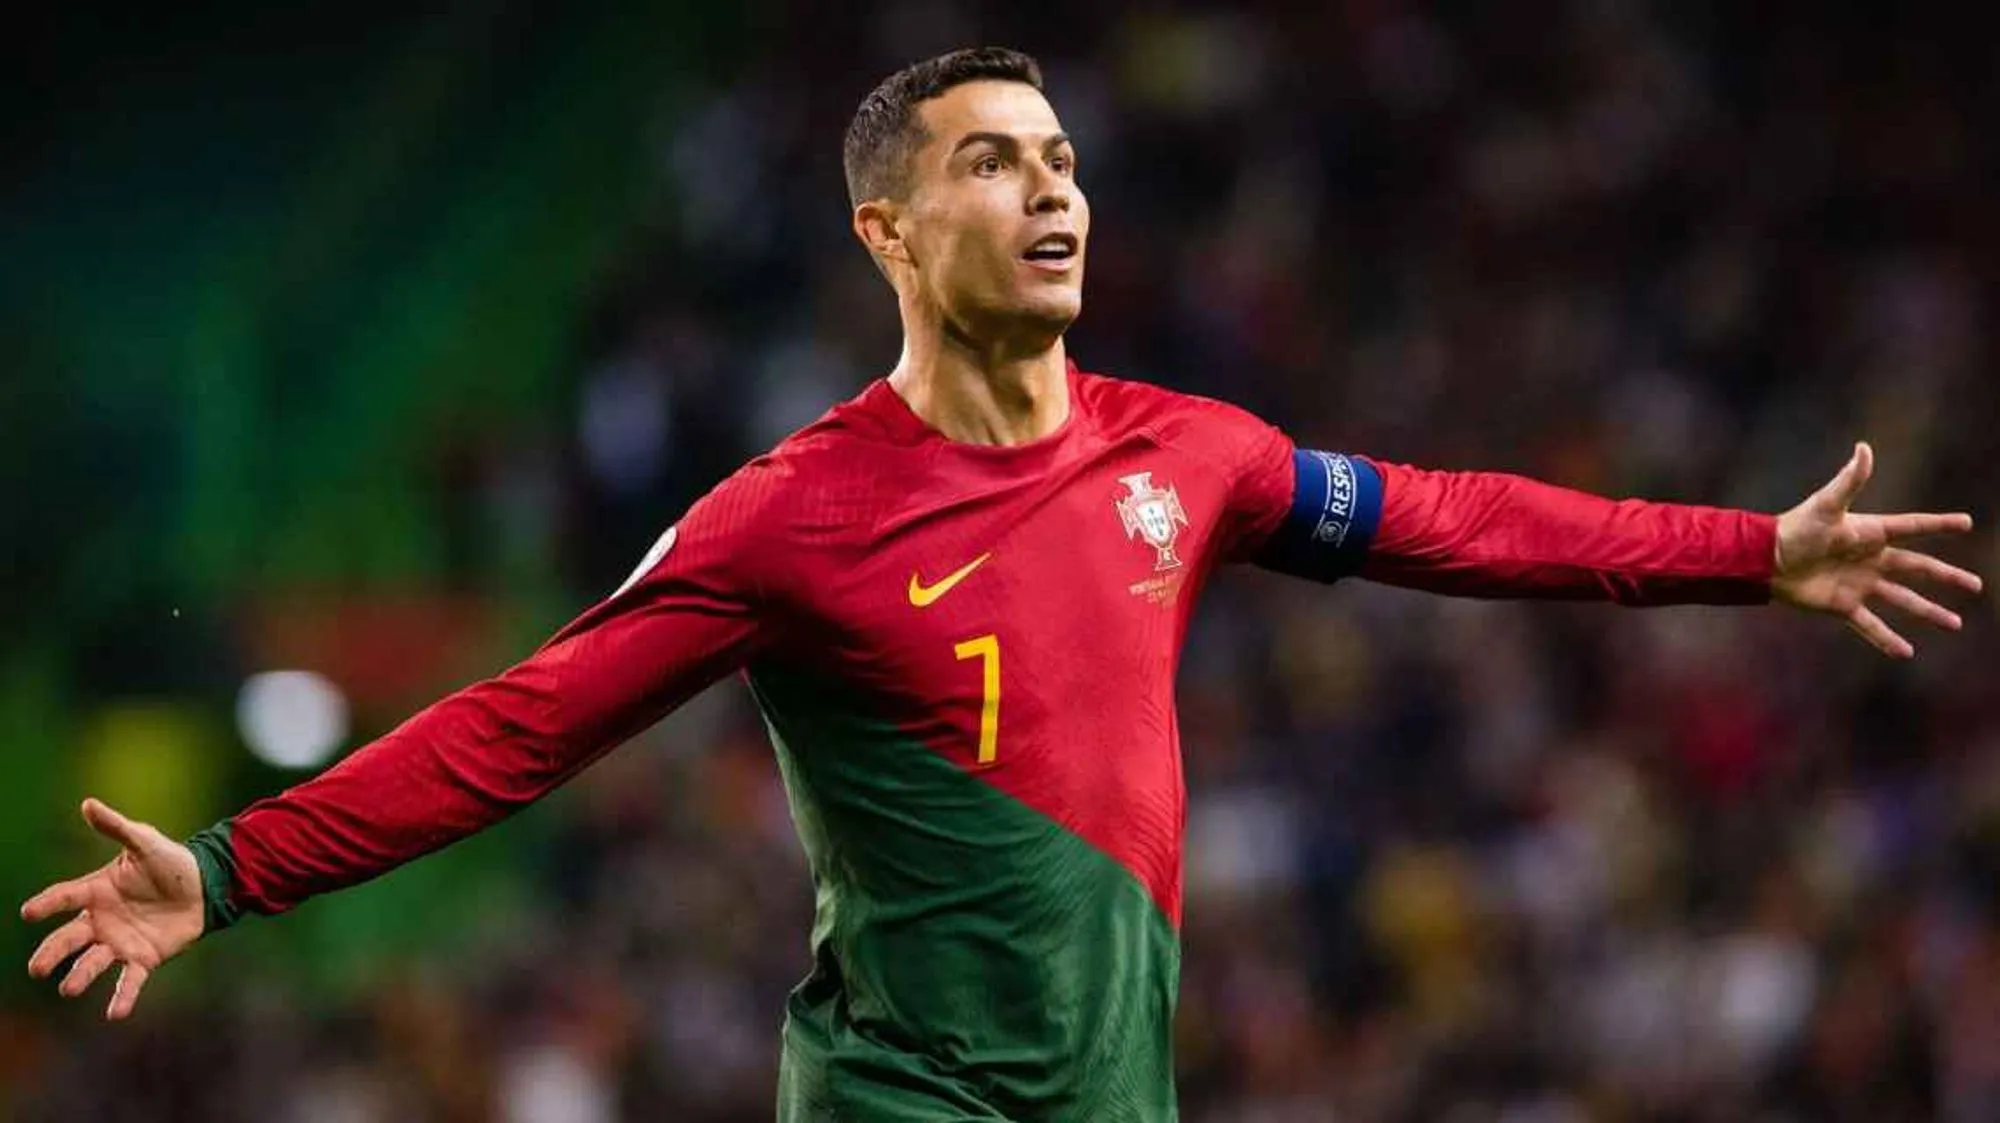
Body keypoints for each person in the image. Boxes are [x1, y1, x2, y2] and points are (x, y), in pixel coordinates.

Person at [22, 46, 1982, 1123]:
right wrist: (231, 864)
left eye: (1060, 159)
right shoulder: (784, 517)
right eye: (991, 162)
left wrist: (1755, 556)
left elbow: (1458, 520)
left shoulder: (1186, 451)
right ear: (885, 223)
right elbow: (526, 724)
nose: (1052, 190)